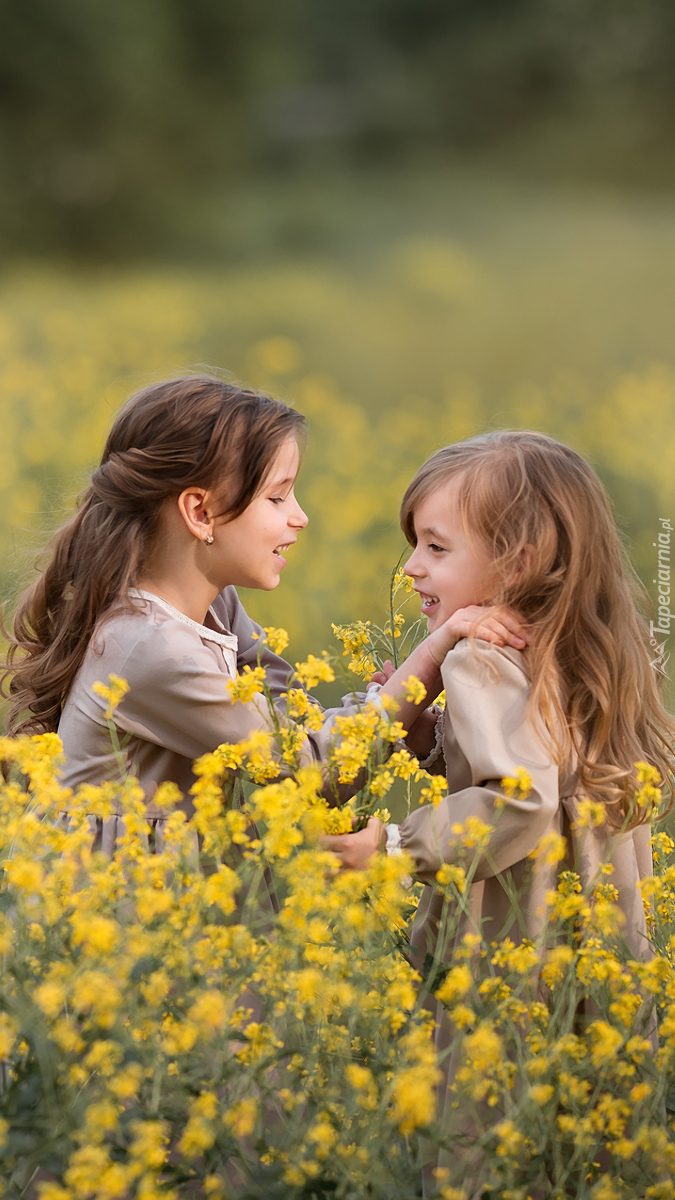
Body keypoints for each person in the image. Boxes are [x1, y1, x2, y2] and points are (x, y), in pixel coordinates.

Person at [324, 431, 675, 1149]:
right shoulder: (591, 650)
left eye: (435, 547)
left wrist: (393, 844)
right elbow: (544, 767)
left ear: (515, 562)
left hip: (508, 960)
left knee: (479, 1147)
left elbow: (519, 799)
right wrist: (433, 742)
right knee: (590, 1148)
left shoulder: (480, 658)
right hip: (600, 957)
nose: (411, 569)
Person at [3, 375, 527, 849]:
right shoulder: (149, 647)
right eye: (278, 498)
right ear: (200, 512)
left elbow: (290, 719)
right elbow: (308, 771)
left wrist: (395, 712)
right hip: (105, 917)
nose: (300, 516)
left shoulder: (214, 607)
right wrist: (428, 661)